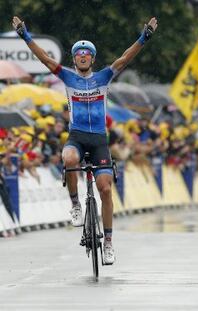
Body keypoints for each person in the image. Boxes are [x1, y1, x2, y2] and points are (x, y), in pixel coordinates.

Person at [12, 16, 158, 264]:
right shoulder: (68, 78)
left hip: (99, 139)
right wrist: (25, 35)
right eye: (78, 54)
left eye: (86, 54)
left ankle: (109, 242)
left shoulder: (103, 78)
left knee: (105, 189)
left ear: (92, 58)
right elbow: (45, 59)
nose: (82, 56)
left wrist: (144, 37)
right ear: (74, 59)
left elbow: (124, 58)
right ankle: (75, 204)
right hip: (77, 136)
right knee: (68, 157)